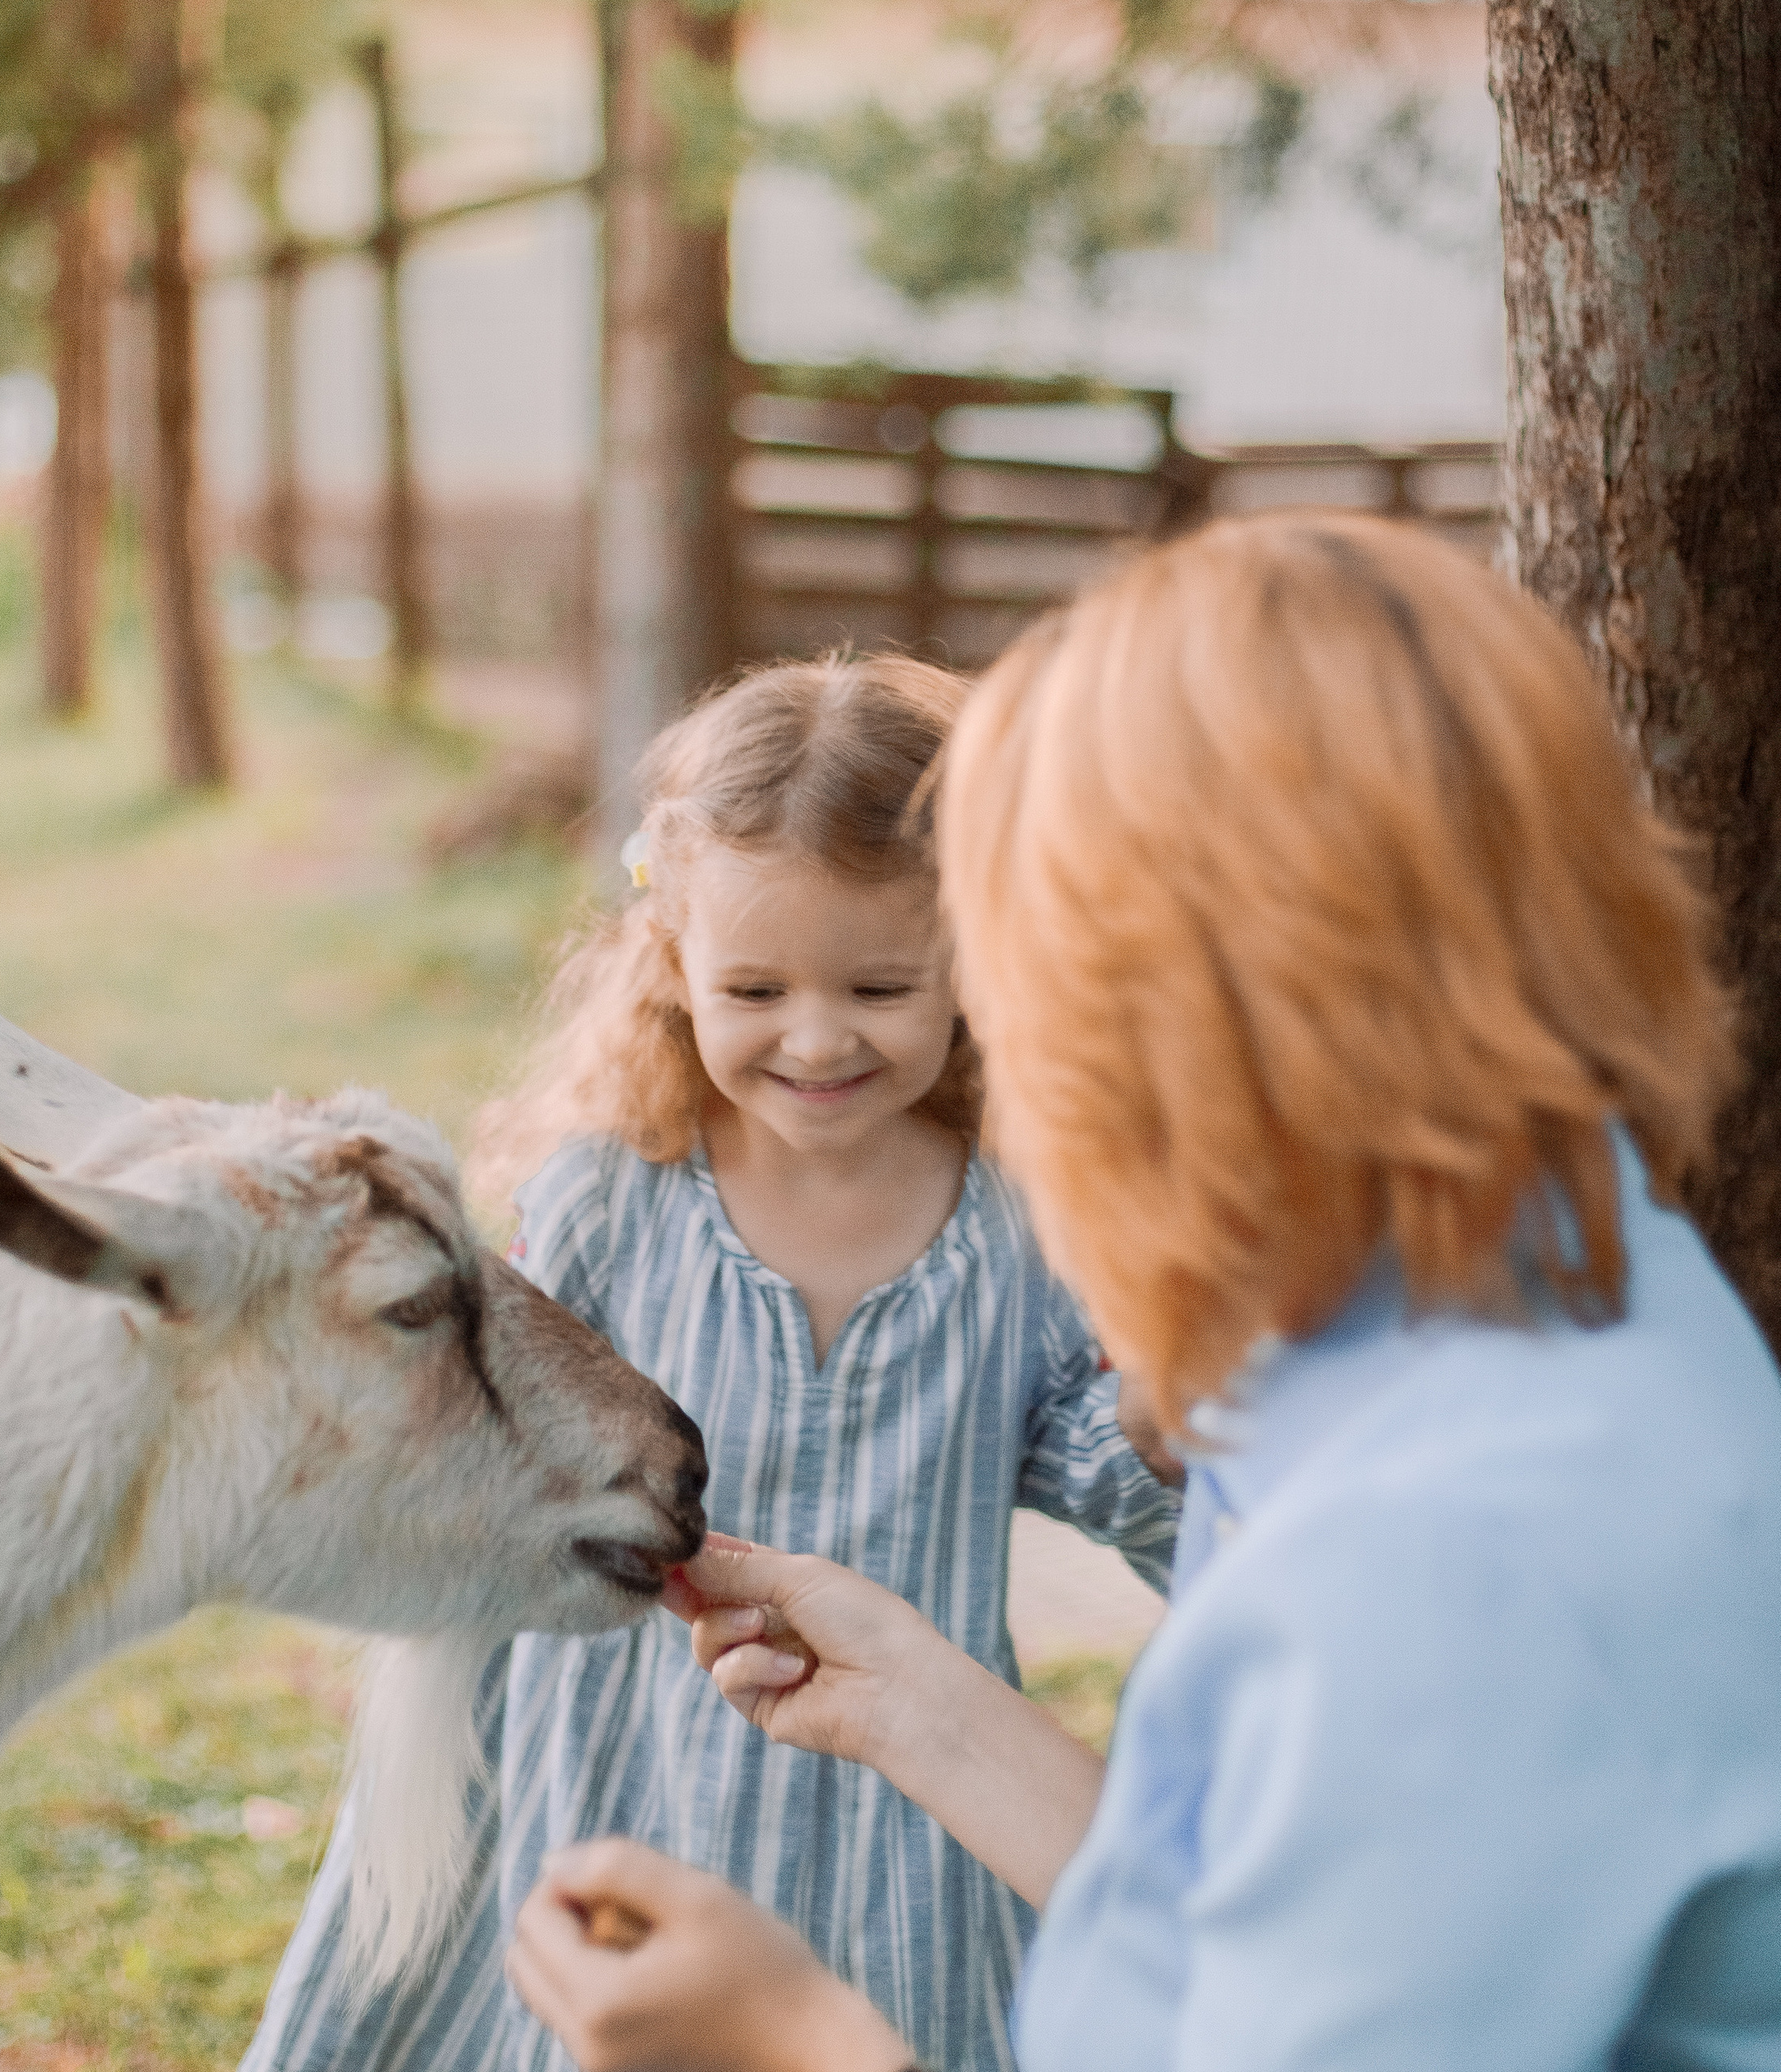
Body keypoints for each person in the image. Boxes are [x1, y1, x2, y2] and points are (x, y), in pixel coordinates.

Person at [502, 512, 1781, 2071]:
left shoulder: (1449, 1562)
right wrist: (917, 1703)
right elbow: (1257, 1932)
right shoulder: (1545, 1263)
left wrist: (795, 2041)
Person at [240, 653, 1183, 2072]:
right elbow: (494, 1423)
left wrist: (1160, 1417)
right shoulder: (613, 1200)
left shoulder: (1016, 1229)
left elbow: (1087, 1456)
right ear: (672, 961)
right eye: (755, 986)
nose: (817, 1035)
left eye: (879, 985)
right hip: (627, 1756)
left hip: (901, 1810)